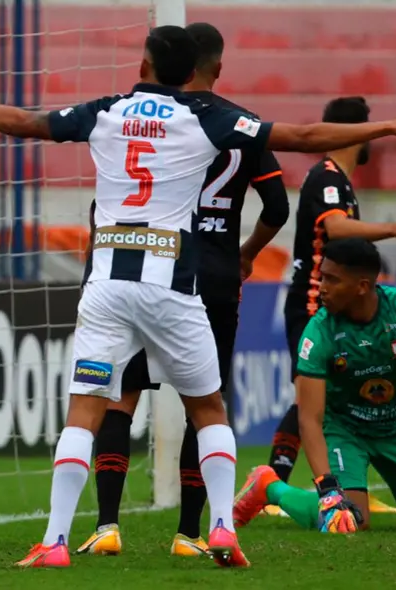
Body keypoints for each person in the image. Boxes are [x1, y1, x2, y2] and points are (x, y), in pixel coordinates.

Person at [0, 25, 396, 569]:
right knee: (208, 408)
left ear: (144, 62)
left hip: (105, 286)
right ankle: (220, 529)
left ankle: (55, 540)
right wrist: (388, 125)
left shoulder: (106, 111)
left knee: (86, 410)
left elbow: (28, 123)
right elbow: (303, 136)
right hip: (173, 286)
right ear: (193, 69)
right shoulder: (209, 117)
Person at [75, 22, 290, 559]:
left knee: (119, 398)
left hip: (136, 266)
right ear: (214, 66)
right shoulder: (237, 124)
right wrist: (245, 254)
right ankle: (191, 533)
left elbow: (109, 202)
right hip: (213, 276)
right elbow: (279, 208)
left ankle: (106, 525)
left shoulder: (135, 120)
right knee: (206, 406)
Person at [234, 238, 396, 534]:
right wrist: (327, 487)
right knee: (347, 522)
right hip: (346, 432)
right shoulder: (318, 331)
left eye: (332, 280)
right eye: (322, 277)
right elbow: (309, 418)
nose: (322, 287)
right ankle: (269, 486)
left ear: (361, 286)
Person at [266, 97, 396, 498]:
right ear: (355, 131)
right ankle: (274, 485)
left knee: (321, 395)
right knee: (309, 393)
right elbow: (338, 230)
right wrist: (394, 229)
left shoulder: (339, 181)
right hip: (313, 300)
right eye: (367, 127)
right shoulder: (326, 177)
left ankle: (288, 482)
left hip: (328, 300)